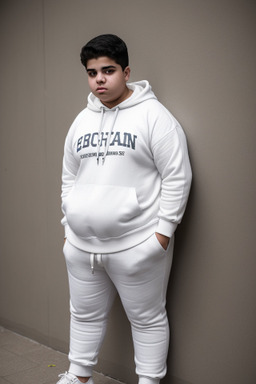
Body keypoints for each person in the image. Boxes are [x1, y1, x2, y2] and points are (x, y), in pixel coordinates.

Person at [57, 34, 192, 384]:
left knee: (146, 319)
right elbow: (69, 176)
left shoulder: (155, 117)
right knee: (82, 315)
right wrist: (69, 223)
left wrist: (162, 235)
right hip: (82, 247)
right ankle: (78, 376)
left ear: (126, 71)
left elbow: (177, 177)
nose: (99, 79)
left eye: (108, 70)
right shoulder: (81, 121)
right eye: (92, 72)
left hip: (137, 246)